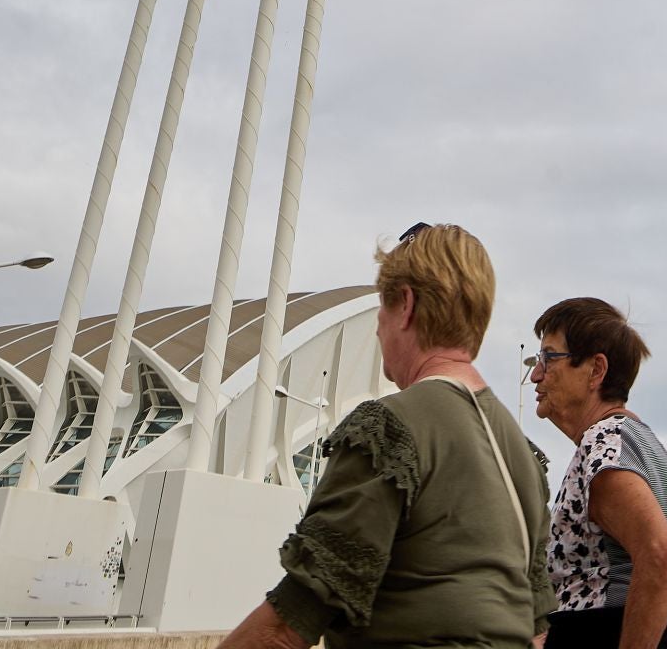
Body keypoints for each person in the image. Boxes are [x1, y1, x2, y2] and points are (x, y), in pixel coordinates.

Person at [220, 224, 553, 649]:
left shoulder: (389, 430)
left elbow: (288, 626)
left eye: (382, 307)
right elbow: (538, 629)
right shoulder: (523, 456)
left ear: (406, 306)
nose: (378, 328)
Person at [531, 297, 667, 649]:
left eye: (548, 358)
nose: (535, 374)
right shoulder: (639, 442)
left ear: (596, 370)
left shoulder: (603, 443)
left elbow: (660, 553)